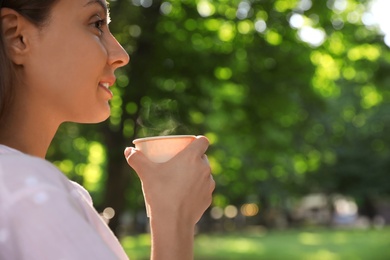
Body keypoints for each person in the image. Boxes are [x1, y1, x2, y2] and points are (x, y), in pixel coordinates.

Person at [0, 0, 215, 259]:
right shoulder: (27, 191)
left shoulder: (48, 192)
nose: (121, 54)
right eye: (96, 23)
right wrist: (173, 216)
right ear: (17, 37)